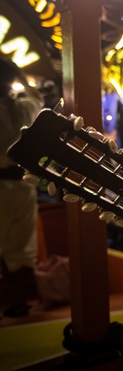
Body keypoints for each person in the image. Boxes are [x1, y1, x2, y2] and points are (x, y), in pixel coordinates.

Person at [0, 58, 44, 317]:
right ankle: (18, 302)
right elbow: (37, 95)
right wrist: (20, 74)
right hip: (23, 184)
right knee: (23, 245)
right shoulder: (28, 107)